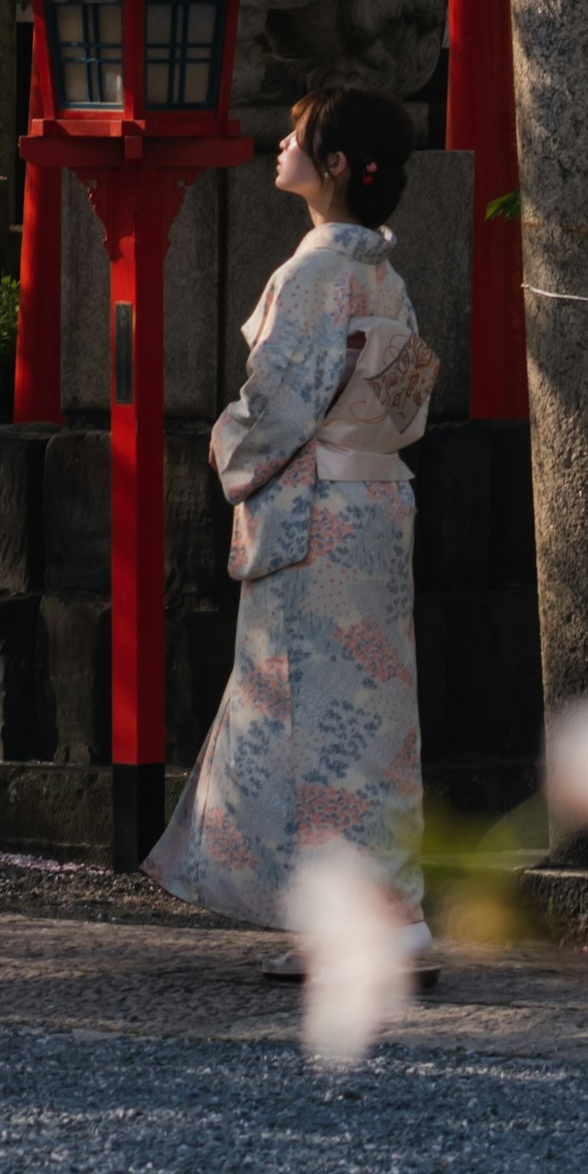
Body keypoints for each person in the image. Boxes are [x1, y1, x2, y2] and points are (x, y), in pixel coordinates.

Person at [149, 82, 437, 934]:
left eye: (299, 138)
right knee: (373, 723)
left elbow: (275, 405)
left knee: (313, 721)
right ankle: (392, 912)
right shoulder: (381, 271)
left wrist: (226, 445)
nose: (283, 147)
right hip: (378, 503)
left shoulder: (313, 271)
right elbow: (408, 401)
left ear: (337, 166)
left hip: (319, 523)